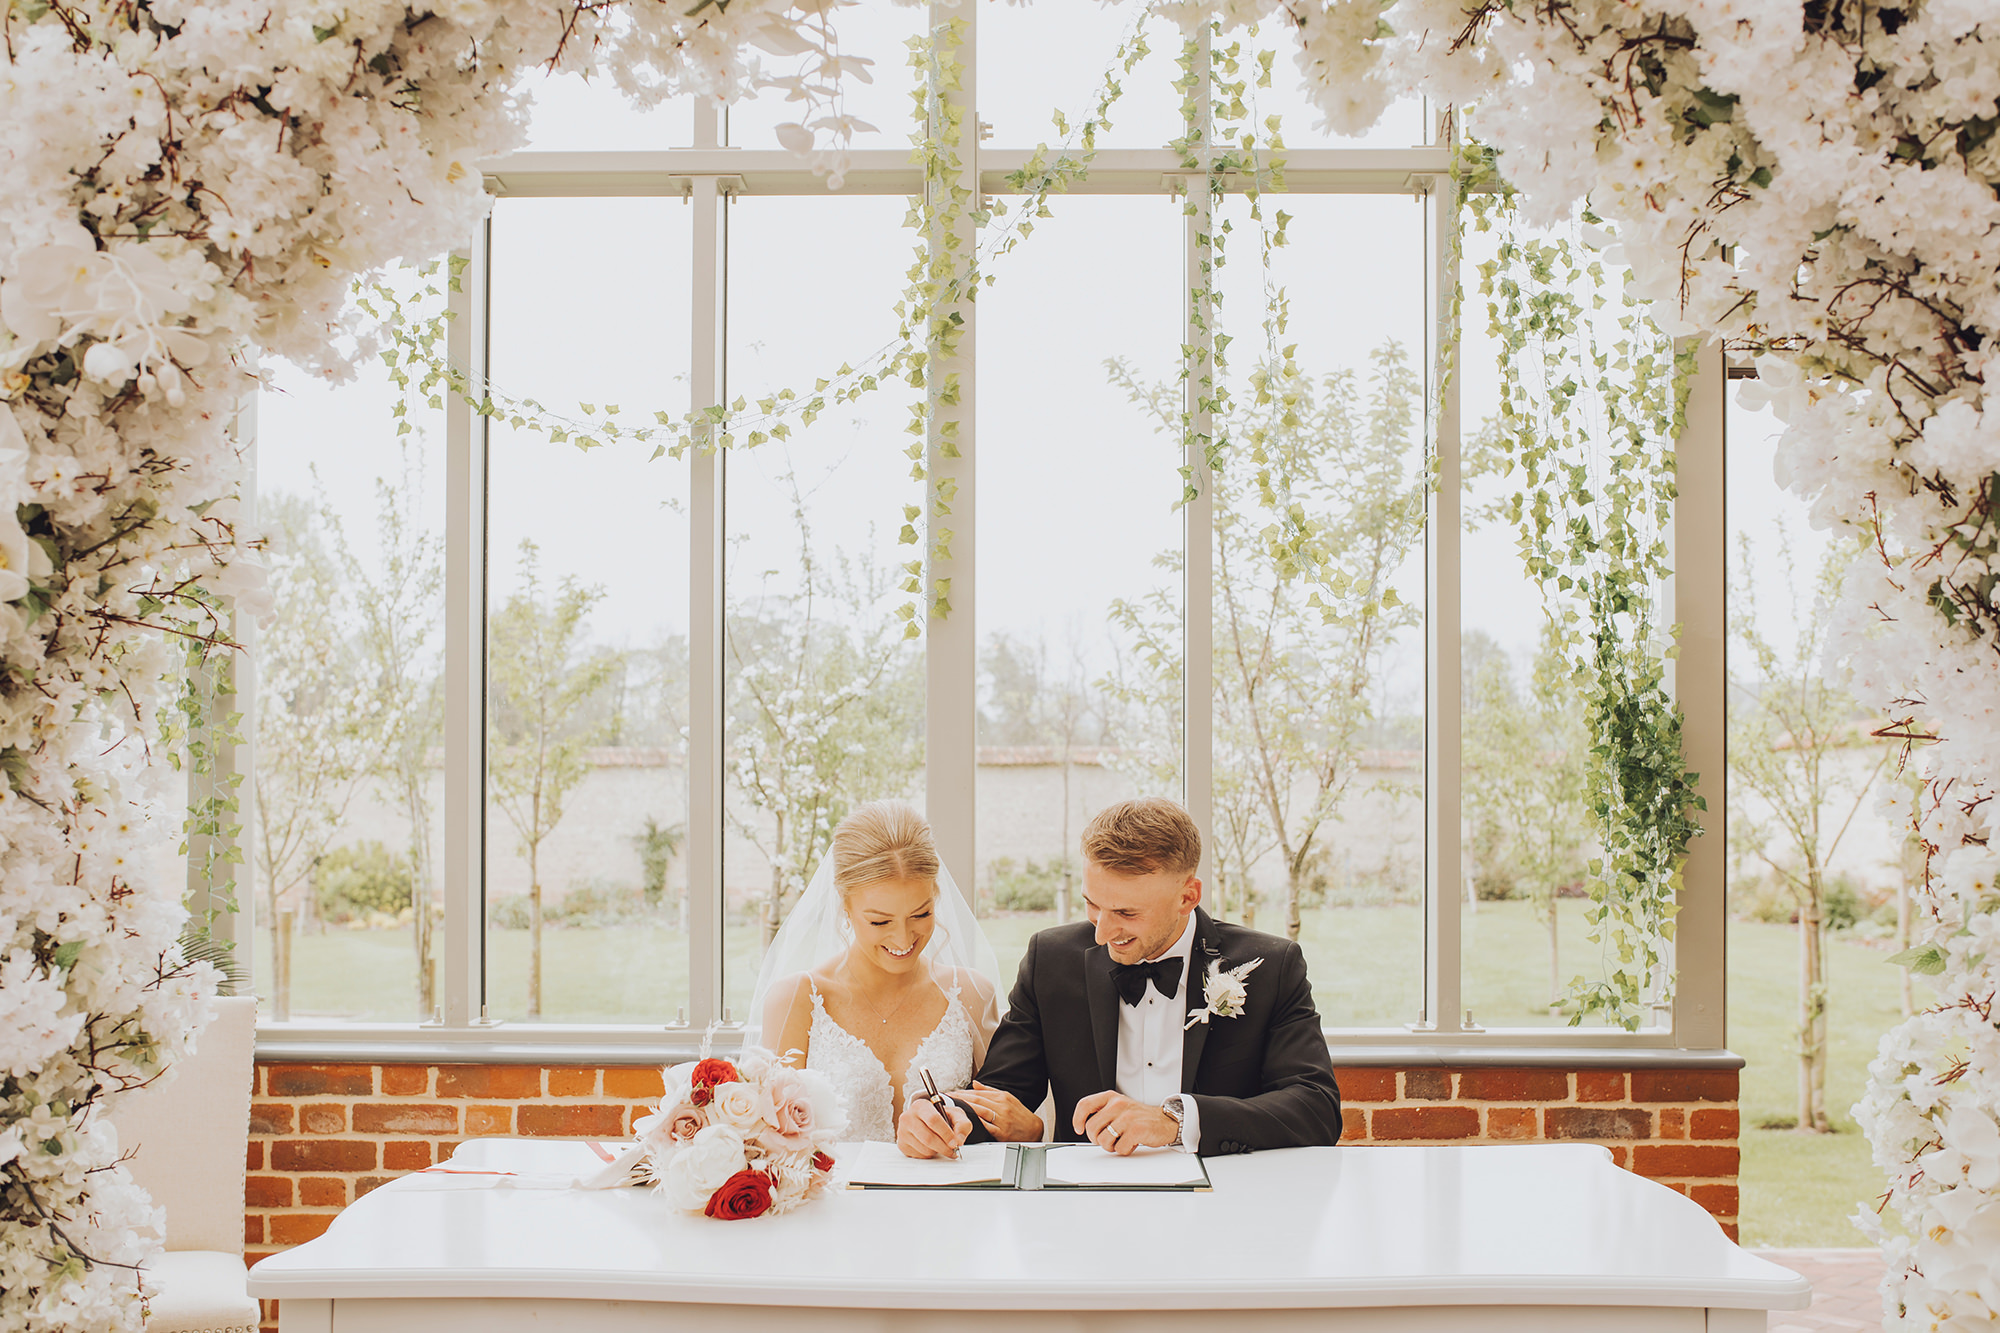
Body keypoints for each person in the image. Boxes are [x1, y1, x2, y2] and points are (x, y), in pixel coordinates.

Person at [897, 796, 1342, 1158]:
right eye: (1093, 904)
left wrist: (1175, 1121)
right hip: (1087, 1207)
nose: (1103, 932)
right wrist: (944, 1116)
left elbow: (1315, 1107)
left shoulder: (1271, 964)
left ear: (1188, 895)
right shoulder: (1051, 959)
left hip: (1223, 1205)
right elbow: (1002, 1093)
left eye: (1127, 912)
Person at [746, 801, 1002, 1143]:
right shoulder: (795, 1001)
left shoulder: (972, 994)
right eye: (880, 921)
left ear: (936, 895)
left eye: (921, 914)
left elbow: (1002, 1127)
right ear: (844, 903)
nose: (903, 938)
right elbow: (770, 1143)